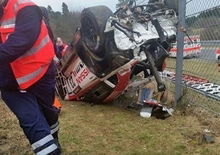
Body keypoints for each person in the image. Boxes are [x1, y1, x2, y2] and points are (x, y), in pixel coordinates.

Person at [0, 0, 61, 154]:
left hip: (40, 76)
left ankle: (55, 139)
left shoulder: (26, 8)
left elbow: (21, 41)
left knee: (49, 114)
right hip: (10, 85)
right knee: (31, 122)